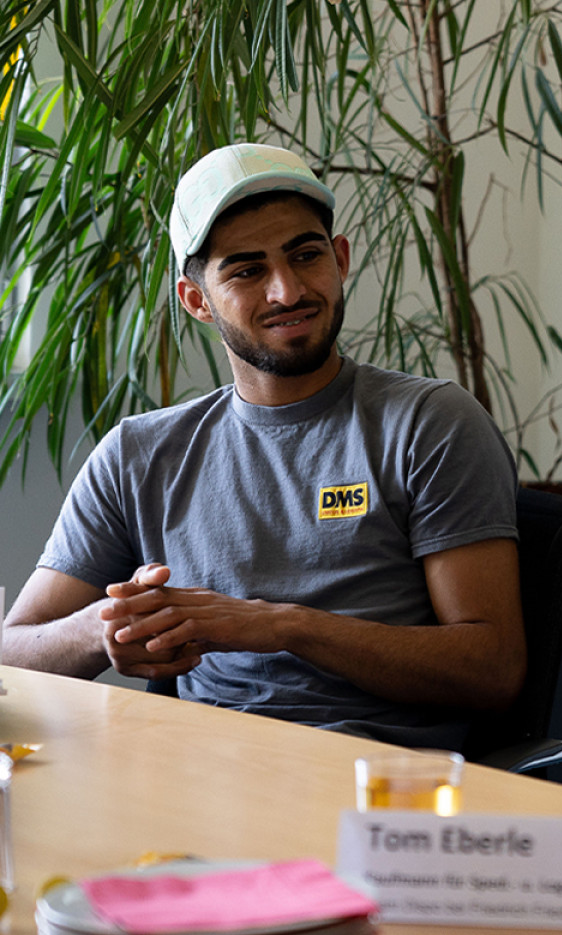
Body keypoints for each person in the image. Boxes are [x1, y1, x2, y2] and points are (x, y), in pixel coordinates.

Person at [3, 143, 525, 749]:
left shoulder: (430, 422)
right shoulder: (138, 454)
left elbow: (493, 670)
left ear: (341, 259)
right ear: (196, 300)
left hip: (373, 783)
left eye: (306, 256)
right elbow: (13, 651)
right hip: (195, 774)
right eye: (247, 270)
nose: (287, 291)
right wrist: (104, 627)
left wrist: (281, 626)